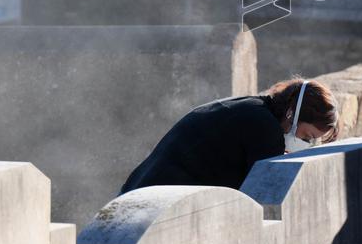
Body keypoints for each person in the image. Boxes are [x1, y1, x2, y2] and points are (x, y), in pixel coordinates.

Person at [120, 78, 338, 193]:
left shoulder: (251, 107)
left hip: (139, 186)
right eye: (307, 136)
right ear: (291, 114)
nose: (306, 144)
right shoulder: (265, 129)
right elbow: (264, 193)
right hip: (160, 201)